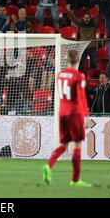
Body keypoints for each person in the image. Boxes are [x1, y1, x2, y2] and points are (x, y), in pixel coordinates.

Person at [43, 50, 91, 187]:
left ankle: (48, 165)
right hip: (74, 113)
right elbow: (81, 97)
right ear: (78, 60)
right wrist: (86, 116)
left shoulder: (59, 75)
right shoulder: (79, 76)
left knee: (63, 145)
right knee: (76, 146)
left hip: (62, 113)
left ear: (67, 60)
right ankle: (75, 180)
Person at [67, 4, 101, 71]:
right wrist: (69, 11)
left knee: (94, 62)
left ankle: (91, 73)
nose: (86, 19)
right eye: (85, 18)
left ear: (90, 18)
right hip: (83, 47)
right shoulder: (81, 24)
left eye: (88, 18)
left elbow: (98, 18)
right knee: (80, 62)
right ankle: (79, 74)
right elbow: (74, 19)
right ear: (83, 18)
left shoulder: (94, 25)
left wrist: (98, 11)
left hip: (92, 47)